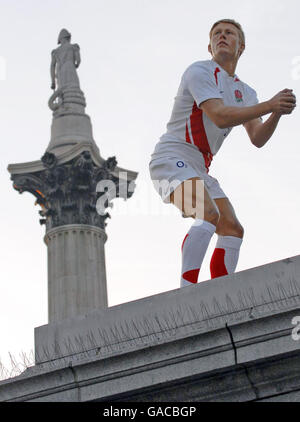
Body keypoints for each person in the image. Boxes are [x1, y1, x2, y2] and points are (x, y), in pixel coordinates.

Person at [149, 19, 296, 288]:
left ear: (241, 46)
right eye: (216, 34)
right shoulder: (199, 71)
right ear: (209, 46)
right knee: (208, 213)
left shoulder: (245, 91)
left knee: (232, 229)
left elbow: (258, 138)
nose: (222, 36)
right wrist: (269, 104)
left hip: (199, 167)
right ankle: (187, 292)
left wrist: (276, 112)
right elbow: (219, 116)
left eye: (229, 33)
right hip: (169, 159)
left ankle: (222, 293)